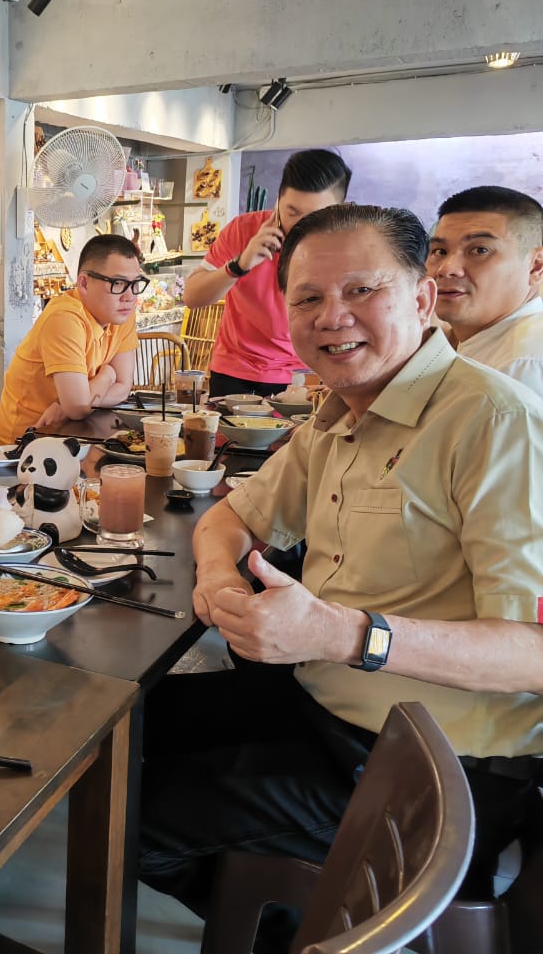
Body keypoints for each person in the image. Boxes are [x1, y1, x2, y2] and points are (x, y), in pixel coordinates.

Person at [140, 204, 543, 942]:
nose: (334, 317)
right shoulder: (338, 415)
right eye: (309, 298)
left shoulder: (494, 420)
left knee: (131, 814)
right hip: (328, 711)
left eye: (363, 291)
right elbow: (231, 517)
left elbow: (535, 654)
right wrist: (219, 580)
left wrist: (344, 634)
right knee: (126, 737)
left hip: (438, 769)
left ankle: (294, 924)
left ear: (421, 298)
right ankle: (277, 906)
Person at [183, 149, 352, 398]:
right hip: (236, 374)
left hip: (310, 375)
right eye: (292, 211)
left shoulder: (349, 247)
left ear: (339, 209)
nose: (300, 225)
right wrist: (240, 264)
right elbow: (193, 297)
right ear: (278, 200)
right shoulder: (243, 230)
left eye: (316, 216)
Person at [0, 234, 142, 445]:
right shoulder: (65, 318)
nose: (130, 296)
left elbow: (124, 387)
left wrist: (69, 405)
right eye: (118, 283)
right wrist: (108, 375)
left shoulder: (123, 312)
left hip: (74, 435)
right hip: (26, 441)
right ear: (84, 283)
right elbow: (79, 406)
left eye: (136, 284)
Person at [428, 185, 543, 394]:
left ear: (536, 265)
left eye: (479, 250)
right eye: (440, 251)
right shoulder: (481, 342)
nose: (447, 269)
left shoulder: (519, 365)